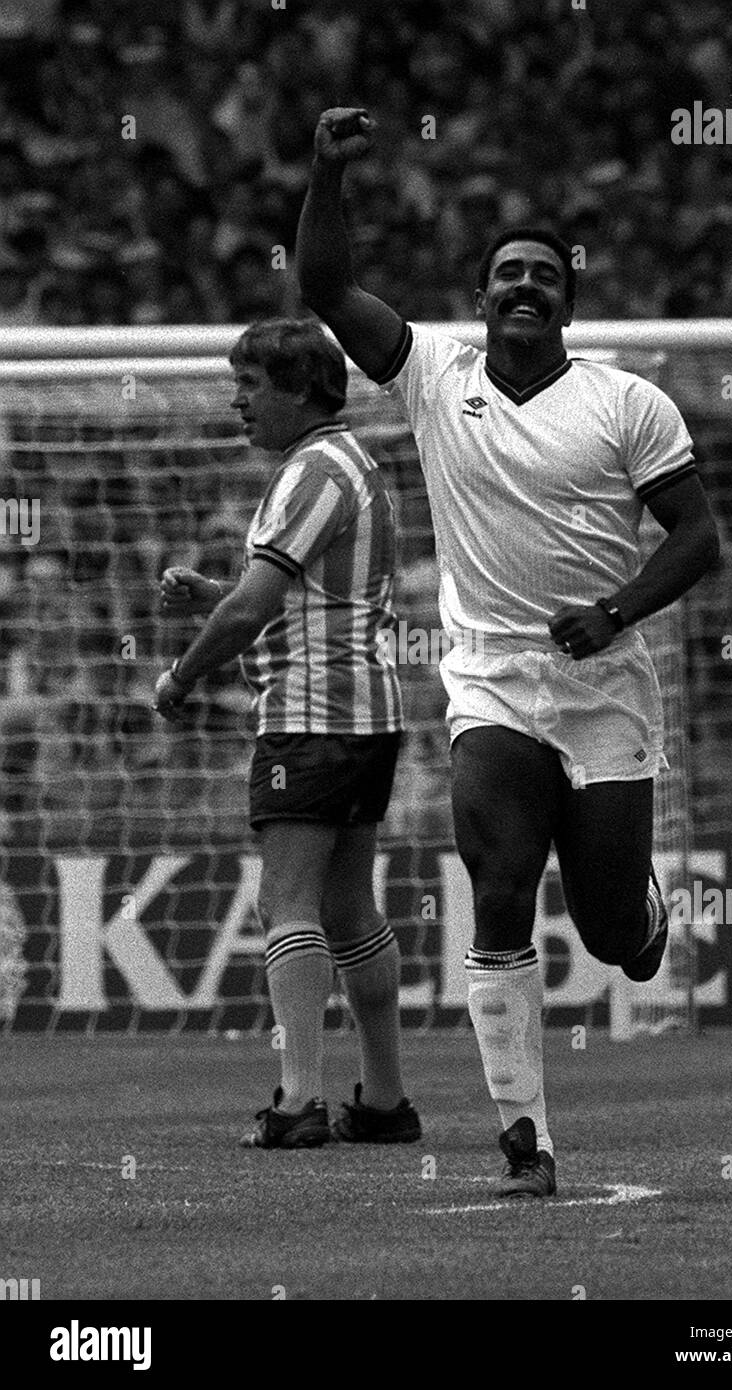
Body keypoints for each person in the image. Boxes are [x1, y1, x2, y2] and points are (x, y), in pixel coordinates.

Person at [296, 109, 720, 1198]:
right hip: (487, 679)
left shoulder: (626, 401)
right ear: (480, 297)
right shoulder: (434, 375)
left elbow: (697, 537)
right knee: (496, 886)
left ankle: (638, 923)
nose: (522, 286)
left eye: (541, 273)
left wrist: (617, 610)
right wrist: (325, 175)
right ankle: (523, 1139)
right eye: (503, 274)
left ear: (565, 298)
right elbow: (327, 293)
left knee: (611, 924)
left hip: (604, 686)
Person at [153, 317, 420, 1150]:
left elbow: (256, 608)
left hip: (310, 717)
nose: (238, 401)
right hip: (367, 714)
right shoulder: (360, 465)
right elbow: (309, 597)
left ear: (303, 389)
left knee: (285, 902)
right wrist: (214, 594)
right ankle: (383, 1099)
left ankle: (299, 1099)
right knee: (350, 908)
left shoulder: (311, 471)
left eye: (251, 385)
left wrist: (181, 676)